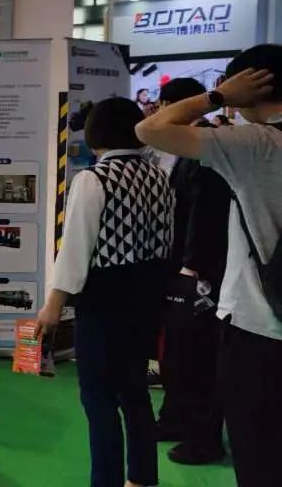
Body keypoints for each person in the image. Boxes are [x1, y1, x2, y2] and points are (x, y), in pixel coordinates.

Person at [136, 46, 282, 487]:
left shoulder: (257, 144)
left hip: (260, 326)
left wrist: (217, 97)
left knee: (260, 456)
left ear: (250, 85)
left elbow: (150, 129)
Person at [36, 97, 174, 487]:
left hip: (104, 301)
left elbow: (75, 249)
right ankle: (143, 477)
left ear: (96, 133)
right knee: (135, 392)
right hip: (146, 297)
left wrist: (53, 305)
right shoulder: (159, 175)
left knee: (98, 397)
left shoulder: (93, 179)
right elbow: (167, 241)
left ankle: (106, 480)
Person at [152, 78, 231, 466]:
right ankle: (175, 419)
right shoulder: (186, 148)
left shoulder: (206, 149)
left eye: (162, 105)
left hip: (198, 273)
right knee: (176, 354)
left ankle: (203, 438)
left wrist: (193, 267)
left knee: (198, 356)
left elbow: (206, 213)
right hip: (181, 266)